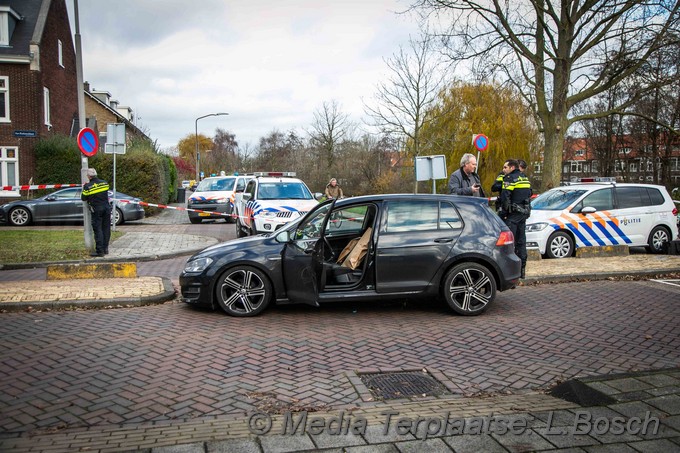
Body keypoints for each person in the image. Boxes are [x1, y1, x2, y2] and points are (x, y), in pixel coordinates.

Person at [498, 159, 532, 278]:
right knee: (521, 242)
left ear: (512, 167)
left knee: (509, 243)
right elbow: (529, 194)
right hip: (523, 214)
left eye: (506, 167)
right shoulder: (525, 178)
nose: (504, 170)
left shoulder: (509, 178)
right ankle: (522, 270)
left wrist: (503, 214)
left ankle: (510, 272)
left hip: (512, 216)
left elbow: (505, 198)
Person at [81, 168, 112, 257]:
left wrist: (85, 187)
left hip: (97, 210)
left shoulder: (88, 186)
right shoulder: (105, 183)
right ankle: (105, 249)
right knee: (106, 229)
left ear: (89, 176)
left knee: (98, 229)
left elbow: (83, 198)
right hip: (106, 208)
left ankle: (100, 251)